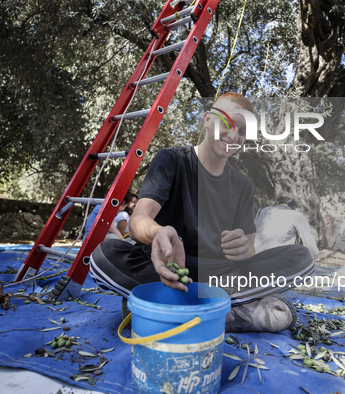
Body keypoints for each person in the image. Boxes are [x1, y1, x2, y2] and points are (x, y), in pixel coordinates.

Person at [89, 92, 316, 333]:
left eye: (242, 132)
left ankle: (162, 309)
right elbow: (138, 219)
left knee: (301, 258)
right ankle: (228, 313)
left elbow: (249, 249)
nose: (233, 135)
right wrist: (159, 233)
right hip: (167, 269)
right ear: (207, 119)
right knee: (104, 254)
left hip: (220, 276)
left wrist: (243, 250)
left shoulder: (242, 184)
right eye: (227, 123)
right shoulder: (172, 160)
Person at [254, 192, 319, 259]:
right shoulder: (297, 216)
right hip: (278, 261)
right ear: (294, 207)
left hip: (255, 257)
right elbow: (313, 252)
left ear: (277, 203)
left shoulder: (261, 211)